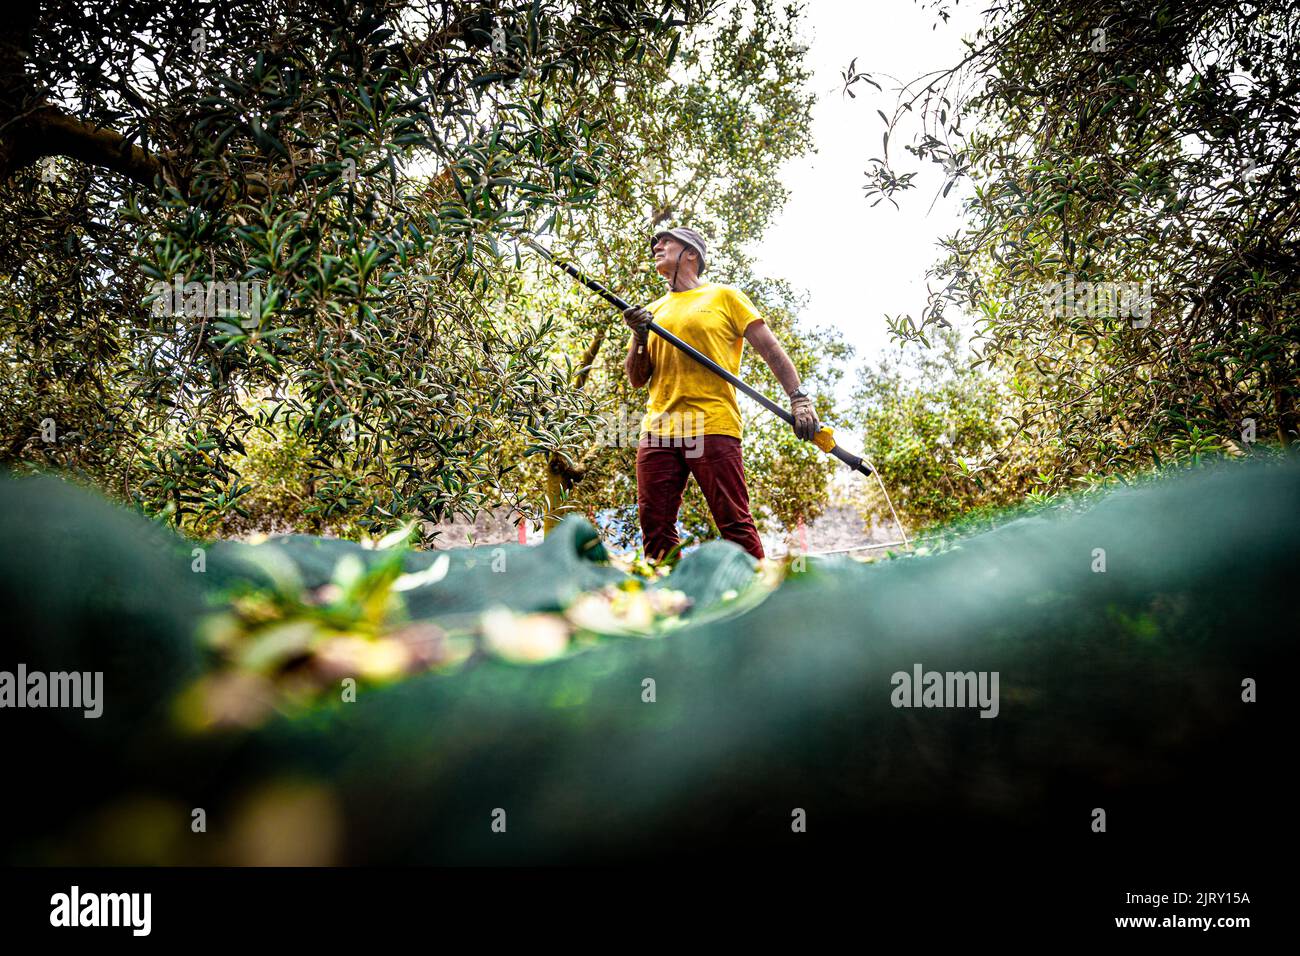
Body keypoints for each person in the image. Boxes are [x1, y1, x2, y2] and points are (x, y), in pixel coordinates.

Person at [622, 226, 819, 562]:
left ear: (691, 253)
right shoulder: (652, 312)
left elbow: (771, 350)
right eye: (656, 242)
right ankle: (668, 592)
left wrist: (798, 398)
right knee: (655, 526)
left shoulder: (724, 297)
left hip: (711, 423)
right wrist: (640, 336)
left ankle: (757, 590)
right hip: (658, 430)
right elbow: (637, 379)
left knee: (734, 523)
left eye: (666, 241)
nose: (657, 246)